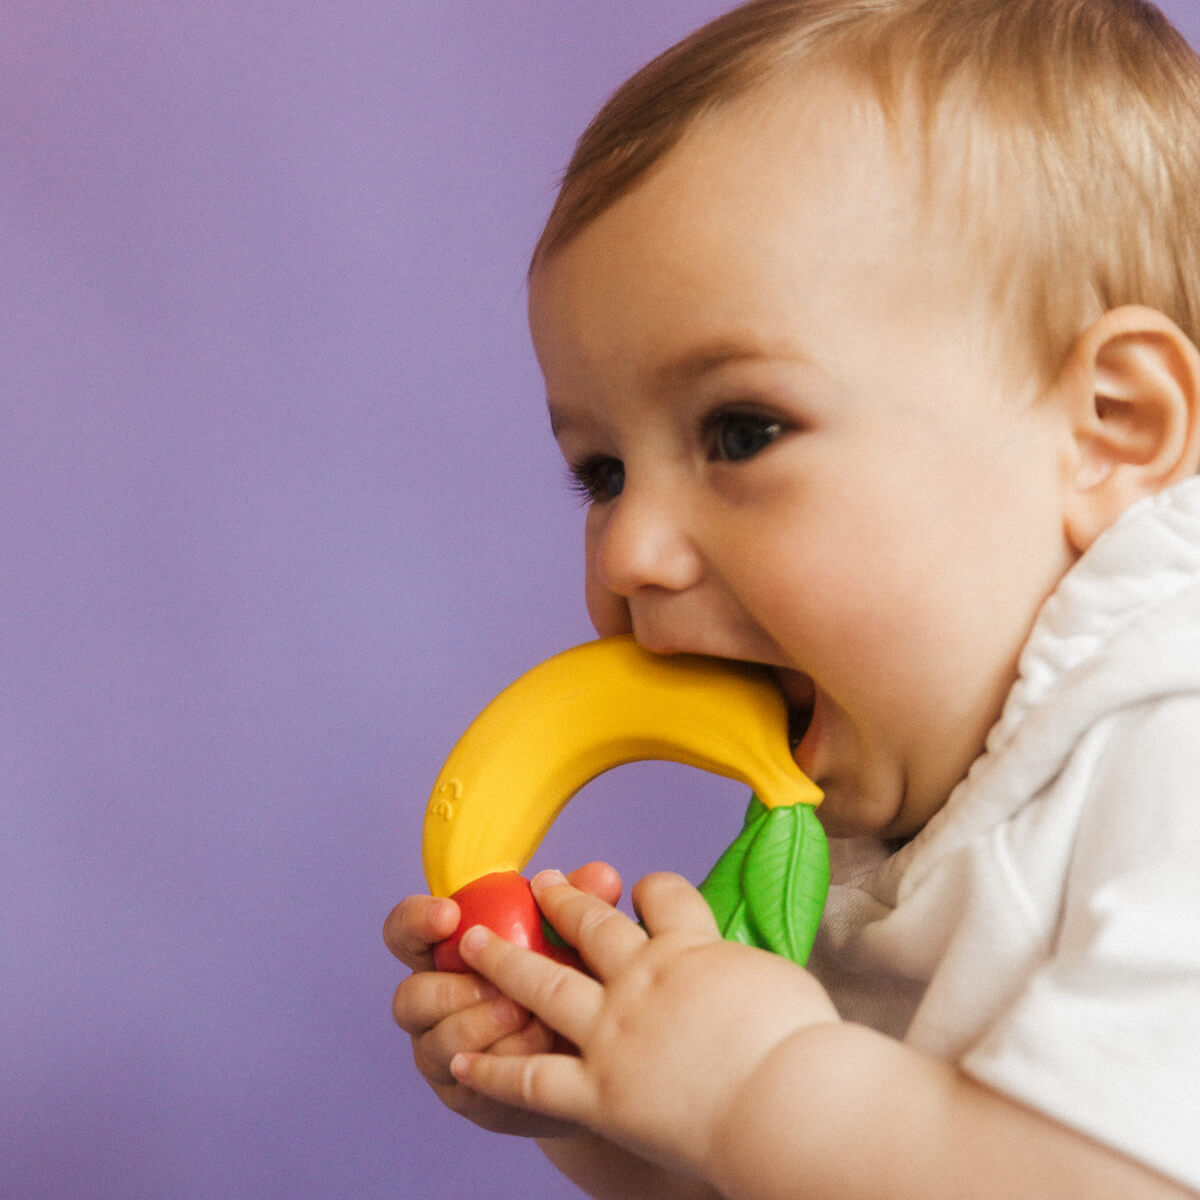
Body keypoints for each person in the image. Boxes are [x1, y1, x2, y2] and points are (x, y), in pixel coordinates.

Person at [384, 0, 1200, 1195]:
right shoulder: (872, 831)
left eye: (741, 429)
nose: (630, 556)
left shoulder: (1168, 757)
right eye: (602, 473)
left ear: (1111, 429)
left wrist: (750, 1088)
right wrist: (614, 1099)